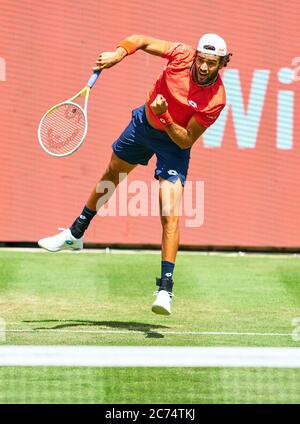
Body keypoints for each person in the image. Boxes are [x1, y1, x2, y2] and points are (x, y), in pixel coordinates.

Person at [38, 33, 232, 316]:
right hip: (142, 127)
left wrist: (165, 117)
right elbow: (140, 40)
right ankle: (75, 233)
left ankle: (165, 289)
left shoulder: (216, 98)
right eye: (201, 60)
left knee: (170, 210)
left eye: (211, 64)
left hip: (173, 143)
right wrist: (118, 54)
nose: (203, 68)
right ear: (196, 55)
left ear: (222, 64)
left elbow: (186, 140)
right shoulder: (180, 54)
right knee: (112, 174)